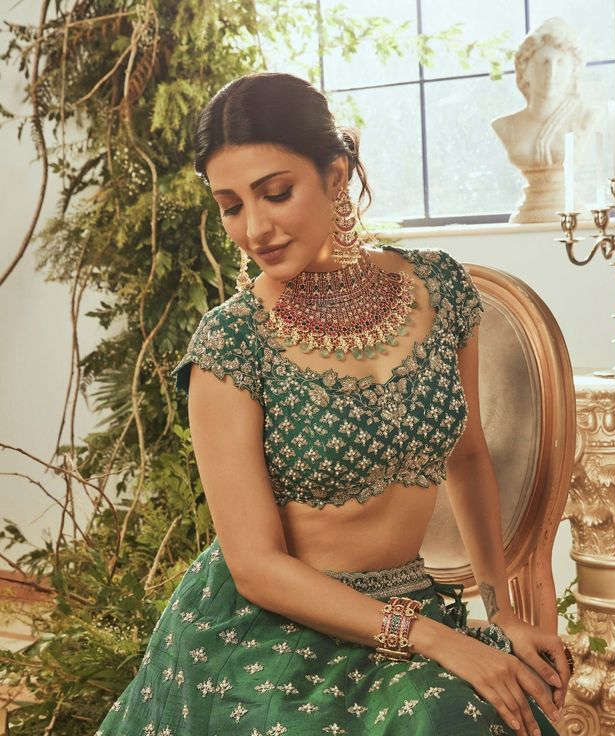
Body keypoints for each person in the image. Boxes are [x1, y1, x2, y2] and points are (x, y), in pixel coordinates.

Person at [96, 71, 571, 736]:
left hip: (407, 605)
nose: (254, 227)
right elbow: (258, 569)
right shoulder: (233, 344)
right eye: (231, 205)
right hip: (267, 633)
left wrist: (500, 612)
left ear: (336, 176)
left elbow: (466, 457)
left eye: (276, 193)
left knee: (498, 709)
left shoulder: (438, 289)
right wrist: (436, 639)